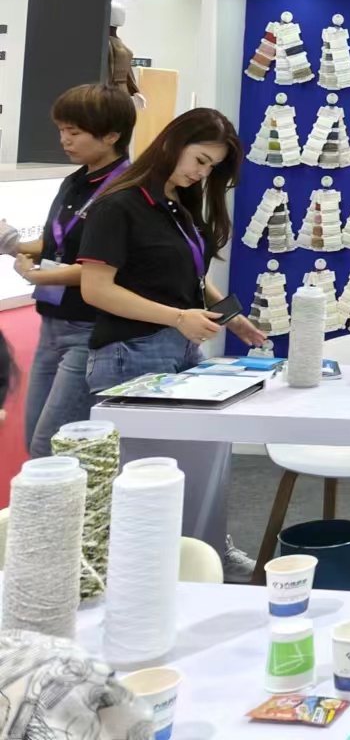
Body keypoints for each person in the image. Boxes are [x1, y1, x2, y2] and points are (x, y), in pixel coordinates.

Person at [77, 107, 267, 578]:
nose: (201, 173)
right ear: (172, 143)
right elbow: (96, 290)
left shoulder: (176, 205)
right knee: (146, 480)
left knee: (201, 460)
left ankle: (205, 553)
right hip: (131, 355)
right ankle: (150, 571)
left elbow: (191, 277)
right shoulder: (118, 206)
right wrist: (178, 318)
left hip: (181, 352)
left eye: (210, 168)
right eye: (200, 160)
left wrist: (233, 318)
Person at [12, 84, 135, 456]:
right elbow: (56, 244)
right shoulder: (75, 181)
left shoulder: (126, 191)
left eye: (74, 132)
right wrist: (16, 247)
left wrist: (41, 276)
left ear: (111, 135)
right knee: (36, 440)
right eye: (62, 130)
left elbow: (103, 266)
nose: (64, 140)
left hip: (90, 330)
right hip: (52, 323)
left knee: (51, 446)